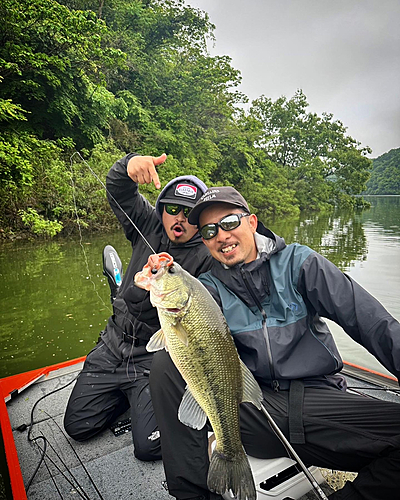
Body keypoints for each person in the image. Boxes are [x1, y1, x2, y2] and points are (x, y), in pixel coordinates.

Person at [149, 186, 400, 500]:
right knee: (165, 363)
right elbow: (178, 334)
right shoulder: (205, 289)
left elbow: (371, 321)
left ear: (252, 222)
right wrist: (153, 279)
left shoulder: (300, 263)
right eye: (210, 230)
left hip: (316, 402)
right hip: (254, 413)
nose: (221, 236)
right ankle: (193, 494)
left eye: (228, 222)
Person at [64, 153, 213, 461]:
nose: (180, 218)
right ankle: (126, 397)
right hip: (112, 345)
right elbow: (119, 189)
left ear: (201, 220)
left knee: (149, 447)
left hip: (152, 357)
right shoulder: (147, 223)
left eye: (190, 213)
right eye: (173, 209)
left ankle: (145, 397)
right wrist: (127, 165)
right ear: (162, 210)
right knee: (78, 425)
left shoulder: (208, 258)